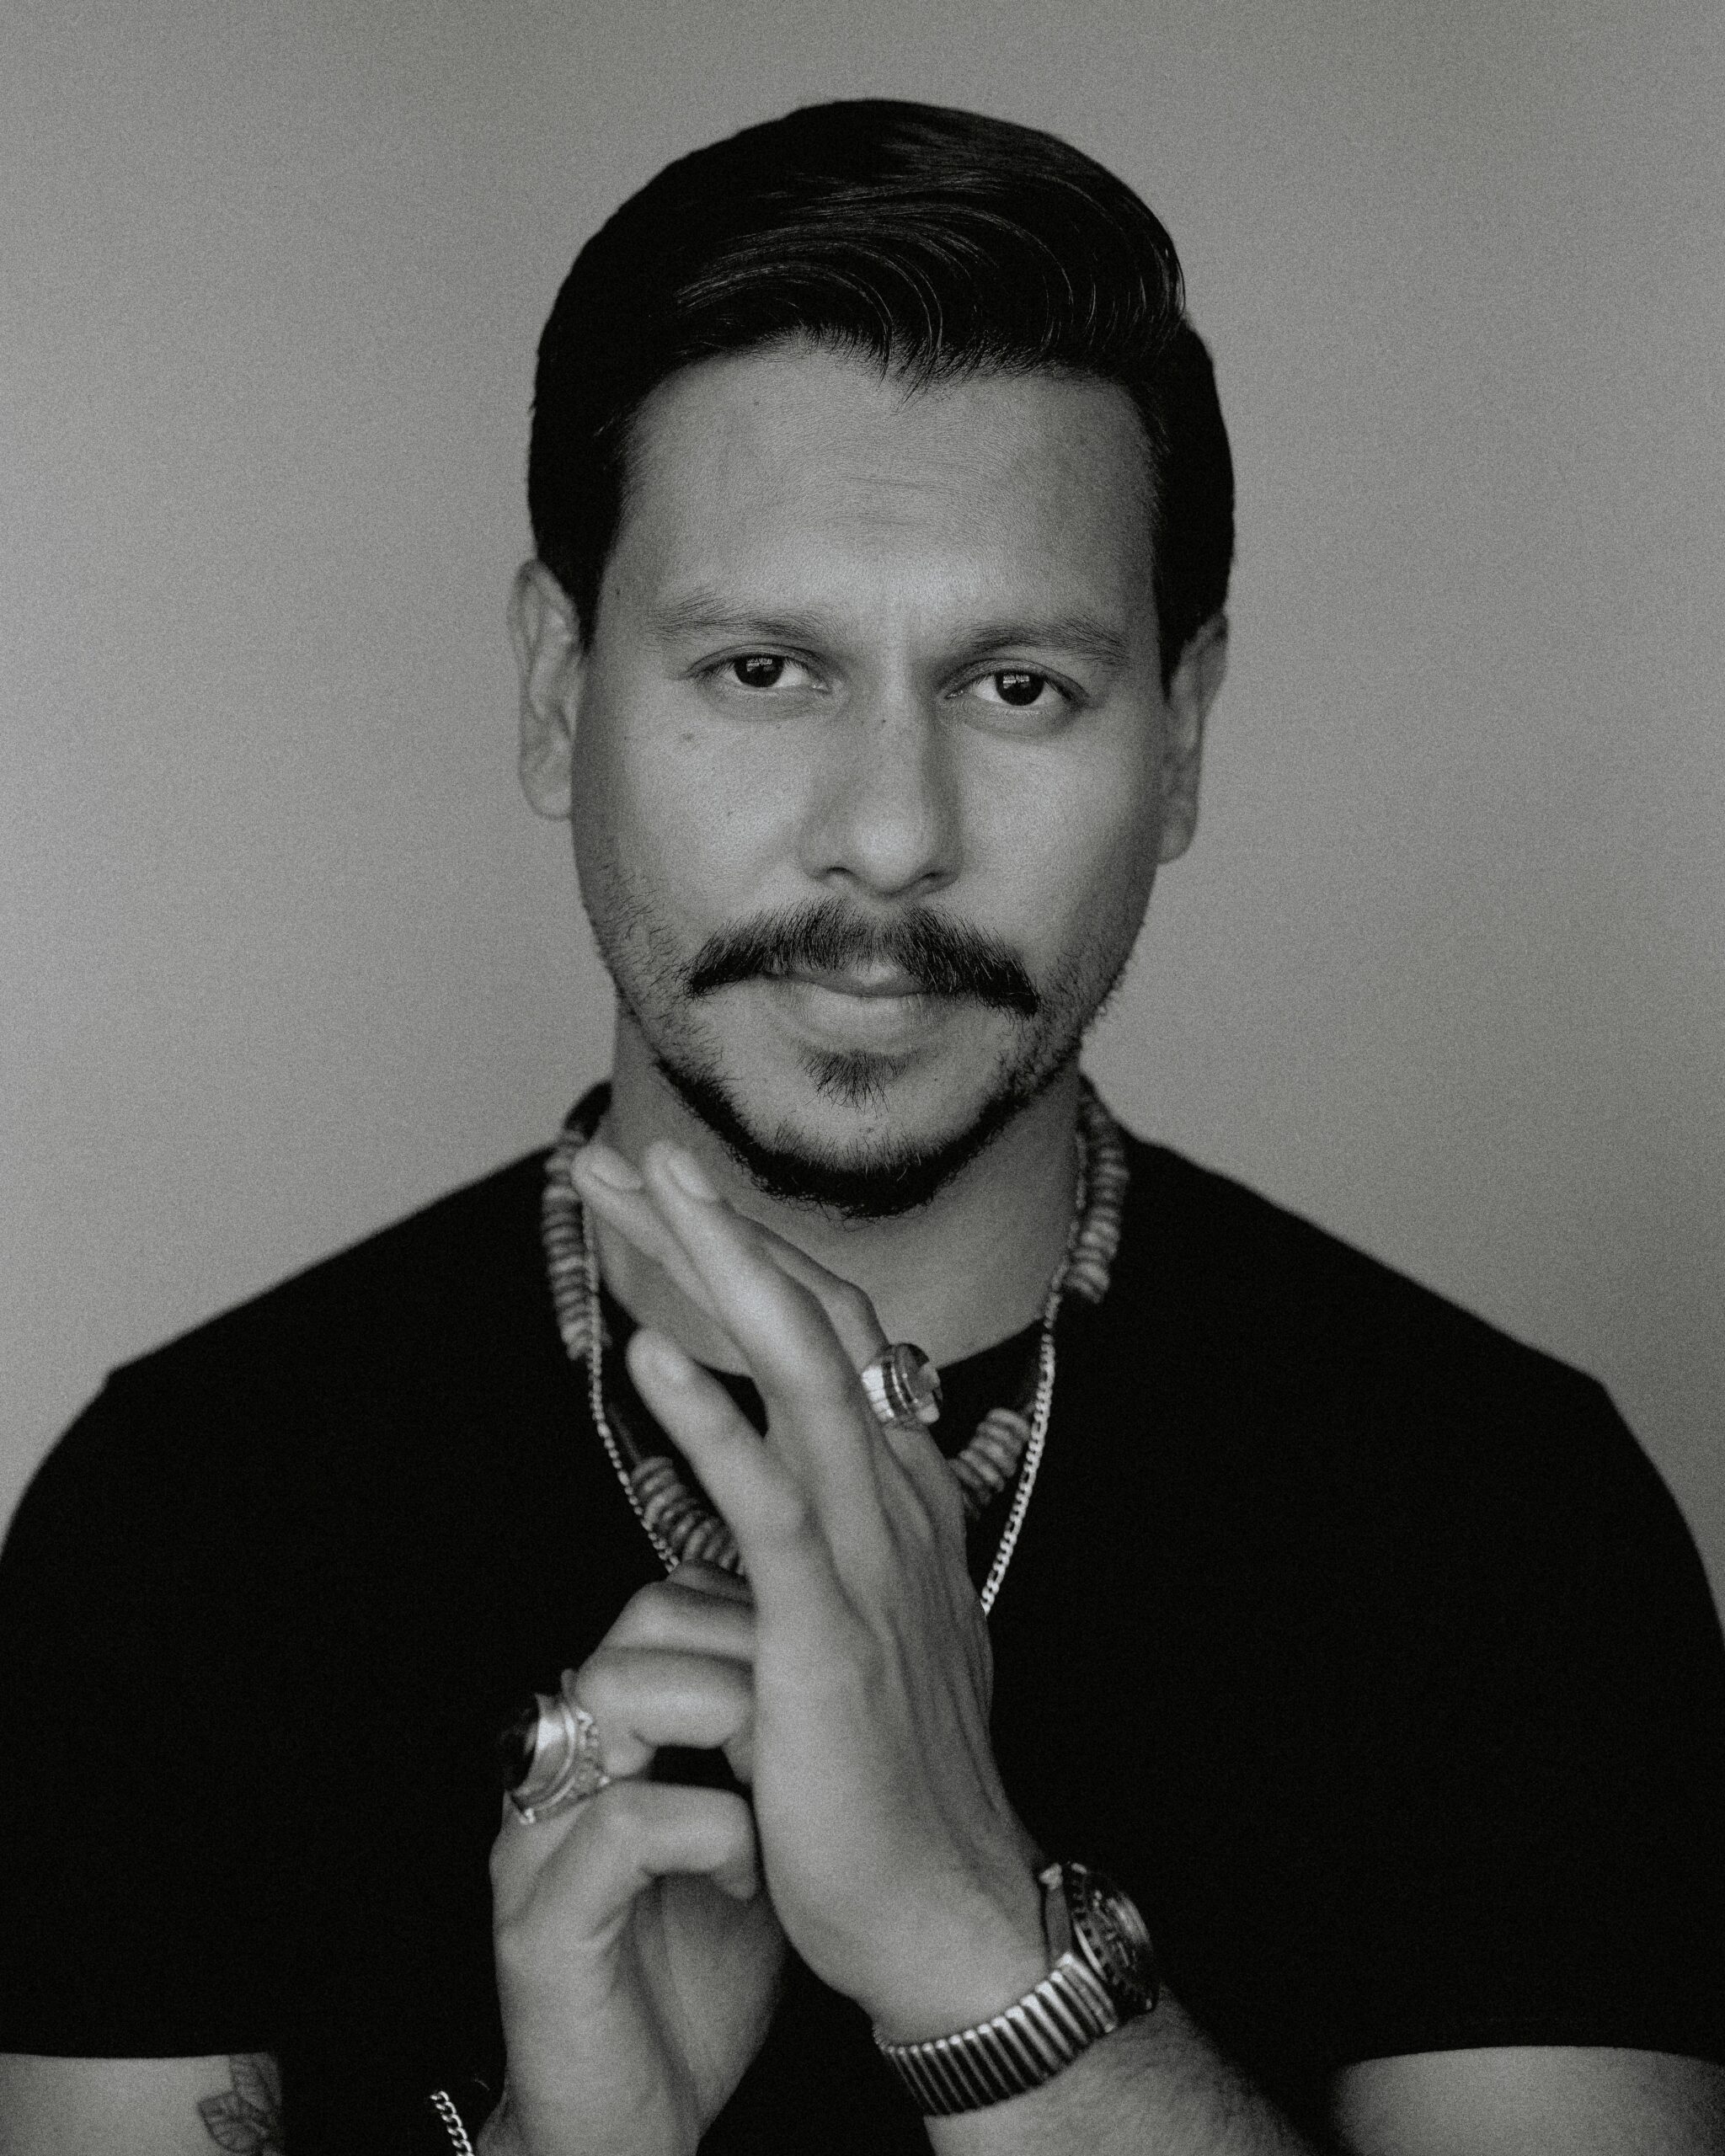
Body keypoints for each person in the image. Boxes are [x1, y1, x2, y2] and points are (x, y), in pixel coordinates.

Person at [1, 97, 1722, 2156]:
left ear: (1180, 736)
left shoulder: (1503, 1525)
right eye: (762, 667)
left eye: (1019, 687)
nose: (891, 835)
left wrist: (985, 1959)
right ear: (556, 688)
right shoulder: (179, 1527)